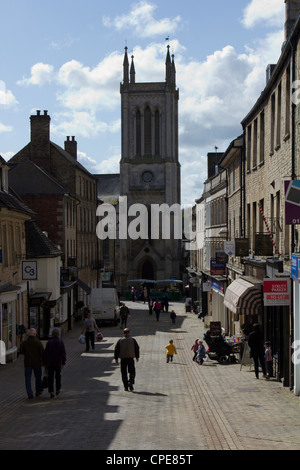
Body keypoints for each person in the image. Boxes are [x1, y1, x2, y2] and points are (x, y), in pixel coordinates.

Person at [20, 328, 44, 399]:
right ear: (34, 334)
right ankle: (38, 391)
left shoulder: (25, 343)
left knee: (28, 378)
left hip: (27, 363)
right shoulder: (38, 342)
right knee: (38, 377)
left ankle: (29, 393)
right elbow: (42, 352)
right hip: (37, 362)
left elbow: (22, 351)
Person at [43, 328, 66, 398]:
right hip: (58, 362)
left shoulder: (49, 342)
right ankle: (58, 388)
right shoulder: (61, 342)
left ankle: (51, 391)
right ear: (58, 334)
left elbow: (45, 353)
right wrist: (63, 363)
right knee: (58, 376)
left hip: (50, 363)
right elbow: (63, 353)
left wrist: (44, 362)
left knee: (50, 377)